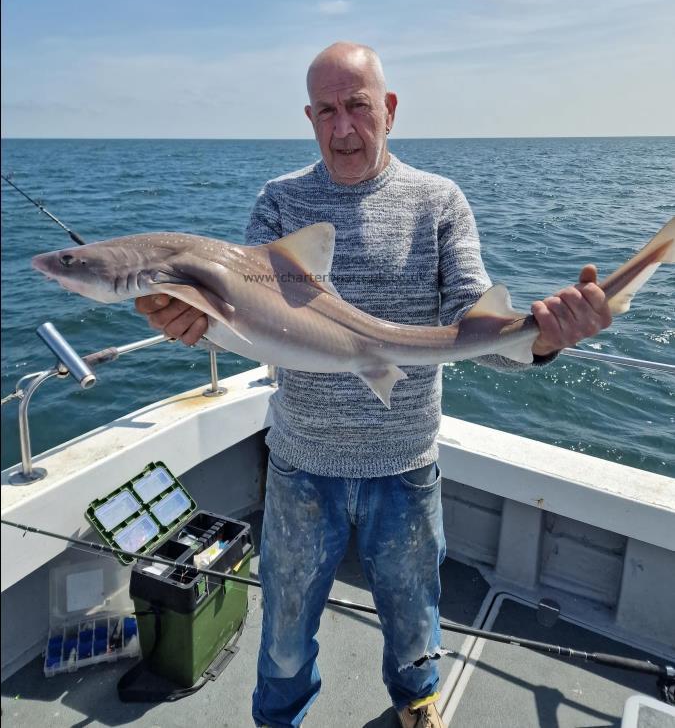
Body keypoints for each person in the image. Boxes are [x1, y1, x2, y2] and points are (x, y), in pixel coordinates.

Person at [136, 42, 612, 728]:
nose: (341, 128)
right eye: (325, 111)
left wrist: (541, 338)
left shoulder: (437, 202)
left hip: (405, 465)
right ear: (308, 117)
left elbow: (473, 333)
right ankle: (278, 719)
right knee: (286, 623)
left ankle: (417, 703)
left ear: (387, 110)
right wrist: (194, 325)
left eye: (357, 107)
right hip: (301, 463)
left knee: (415, 612)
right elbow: (246, 328)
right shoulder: (280, 201)